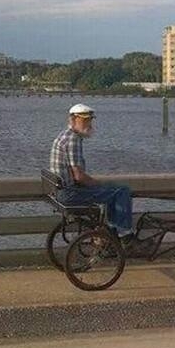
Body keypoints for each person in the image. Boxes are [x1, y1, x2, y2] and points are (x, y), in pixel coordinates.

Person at [49, 103, 139, 250]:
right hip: (69, 194)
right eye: (84, 120)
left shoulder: (64, 135)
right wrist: (98, 184)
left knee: (111, 192)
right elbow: (78, 176)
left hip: (62, 191)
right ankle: (124, 235)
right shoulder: (73, 139)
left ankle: (111, 232)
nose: (88, 123)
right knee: (121, 191)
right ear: (73, 119)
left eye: (90, 120)